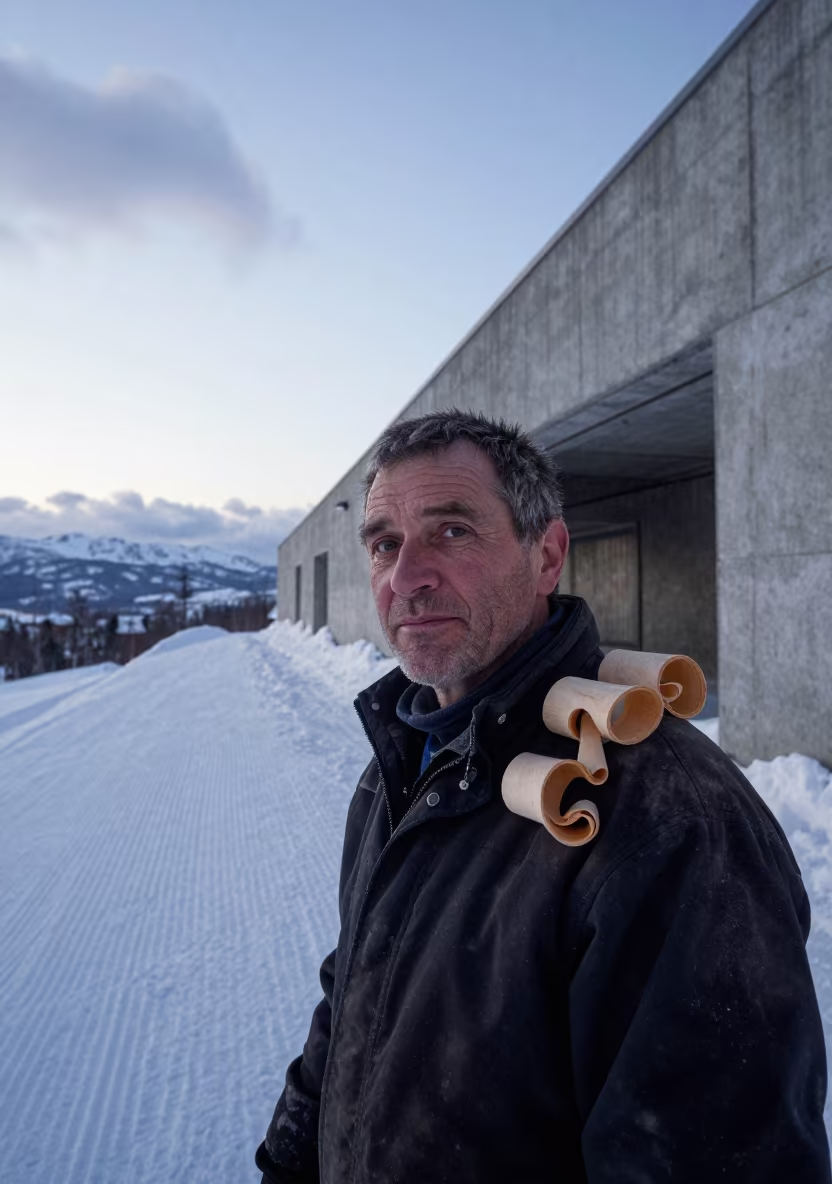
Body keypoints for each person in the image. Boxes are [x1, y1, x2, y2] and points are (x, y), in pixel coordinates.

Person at [256, 409, 829, 1183]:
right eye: (385, 544)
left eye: (452, 531)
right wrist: (288, 1161)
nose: (406, 577)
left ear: (548, 555)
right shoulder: (402, 758)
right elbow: (357, 987)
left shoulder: (670, 817)